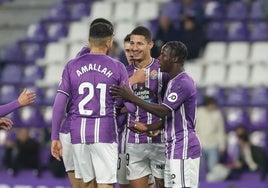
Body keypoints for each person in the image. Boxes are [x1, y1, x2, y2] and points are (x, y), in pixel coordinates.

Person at [51, 22, 135, 188]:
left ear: (89, 42)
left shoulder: (72, 65)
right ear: (109, 42)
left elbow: (59, 104)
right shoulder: (117, 67)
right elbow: (131, 107)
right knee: (105, 183)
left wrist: (54, 136)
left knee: (86, 184)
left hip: (77, 132)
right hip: (105, 130)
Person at [110, 41, 201, 188]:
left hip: (183, 145)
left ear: (175, 59)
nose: (159, 58)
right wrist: (148, 127)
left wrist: (132, 97)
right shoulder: (172, 82)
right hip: (173, 145)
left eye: (164, 55)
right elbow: (171, 117)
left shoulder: (183, 83)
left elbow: (163, 110)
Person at [118, 26, 170, 188]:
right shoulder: (123, 73)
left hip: (160, 139)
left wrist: (159, 126)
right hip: (134, 142)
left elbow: (172, 106)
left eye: (139, 43)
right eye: (132, 43)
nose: (134, 47)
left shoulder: (163, 71)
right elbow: (114, 106)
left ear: (150, 45)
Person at [117, 34, 154, 188]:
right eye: (127, 50)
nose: (131, 54)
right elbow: (110, 106)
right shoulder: (119, 74)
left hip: (147, 141)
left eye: (133, 49)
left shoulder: (154, 73)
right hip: (122, 142)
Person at [195, 96, 226, 177]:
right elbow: (195, 128)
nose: (213, 106)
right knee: (200, 168)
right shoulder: (199, 112)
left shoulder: (218, 114)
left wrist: (222, 146)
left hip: (213, 145)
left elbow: (220, 131)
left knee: (213, 168)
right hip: (201, 145)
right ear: (207, 104)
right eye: (212, 104)